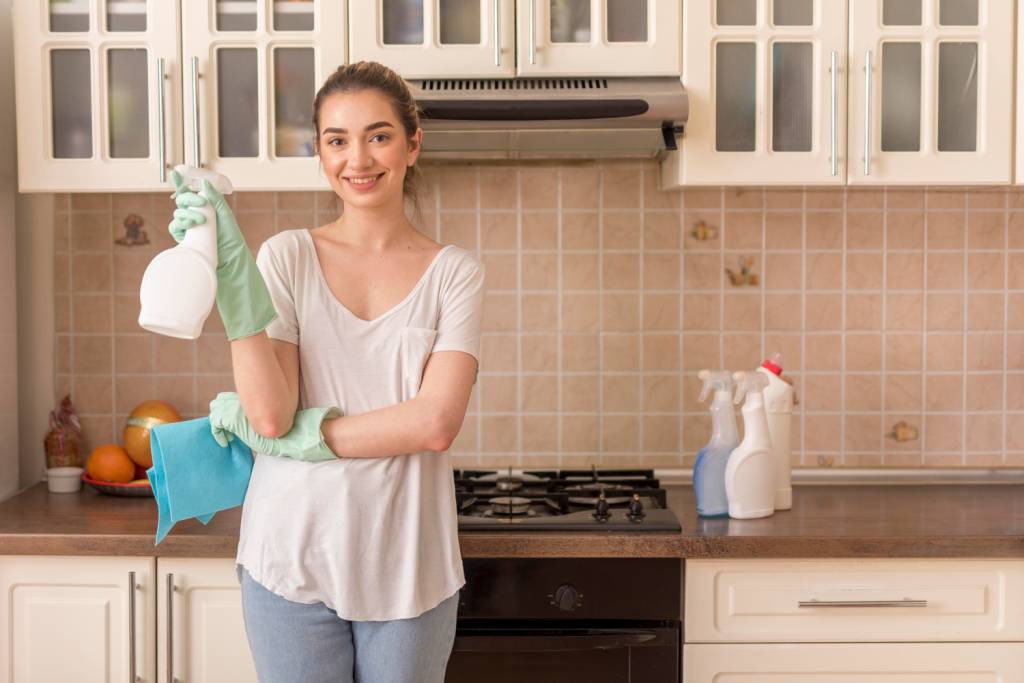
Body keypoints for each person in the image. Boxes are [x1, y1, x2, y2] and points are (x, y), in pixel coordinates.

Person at [166, 61, 484, 683]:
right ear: (320, 152)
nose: (357, 159)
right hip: (290, 553)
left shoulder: (455, 273)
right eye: (337, 140)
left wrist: (304, 441)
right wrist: (236, 288)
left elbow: (435, 422)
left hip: (408, 563)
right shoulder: (286, 256)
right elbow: (268, 414)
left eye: (378, 135)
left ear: (413, 142)